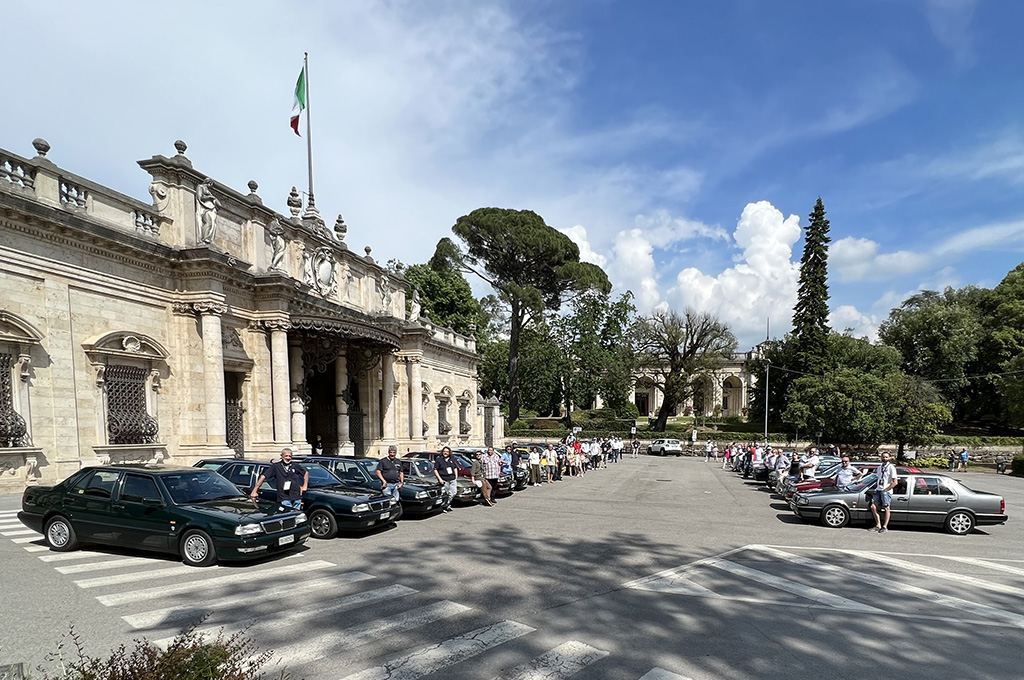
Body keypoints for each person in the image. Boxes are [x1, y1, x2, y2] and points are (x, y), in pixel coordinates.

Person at [870, 451, 899, 533]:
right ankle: (878, 525)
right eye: (883, 457)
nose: (884, 458)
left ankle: (885, 526)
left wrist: (887, 489)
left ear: (889, 458)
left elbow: (895, 482)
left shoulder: (891, 467)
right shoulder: (879, 467)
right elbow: (878, 479)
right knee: (873, 506)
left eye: (886, 457)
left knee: (886, 507)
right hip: (879, 489)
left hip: (886, 490)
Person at [434, 446, 459, 512]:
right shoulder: (439, 460)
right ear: (442, 452)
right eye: (444, 451)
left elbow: (455, 468)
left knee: (453, 492)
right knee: (447, 494)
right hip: (444, 479)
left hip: (452, 479)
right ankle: (446, 506)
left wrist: (456, 476)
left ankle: (446, 504)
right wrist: (440, 479)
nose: (446, 453)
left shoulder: (451, 459)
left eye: (447, 452)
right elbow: (435, 470)